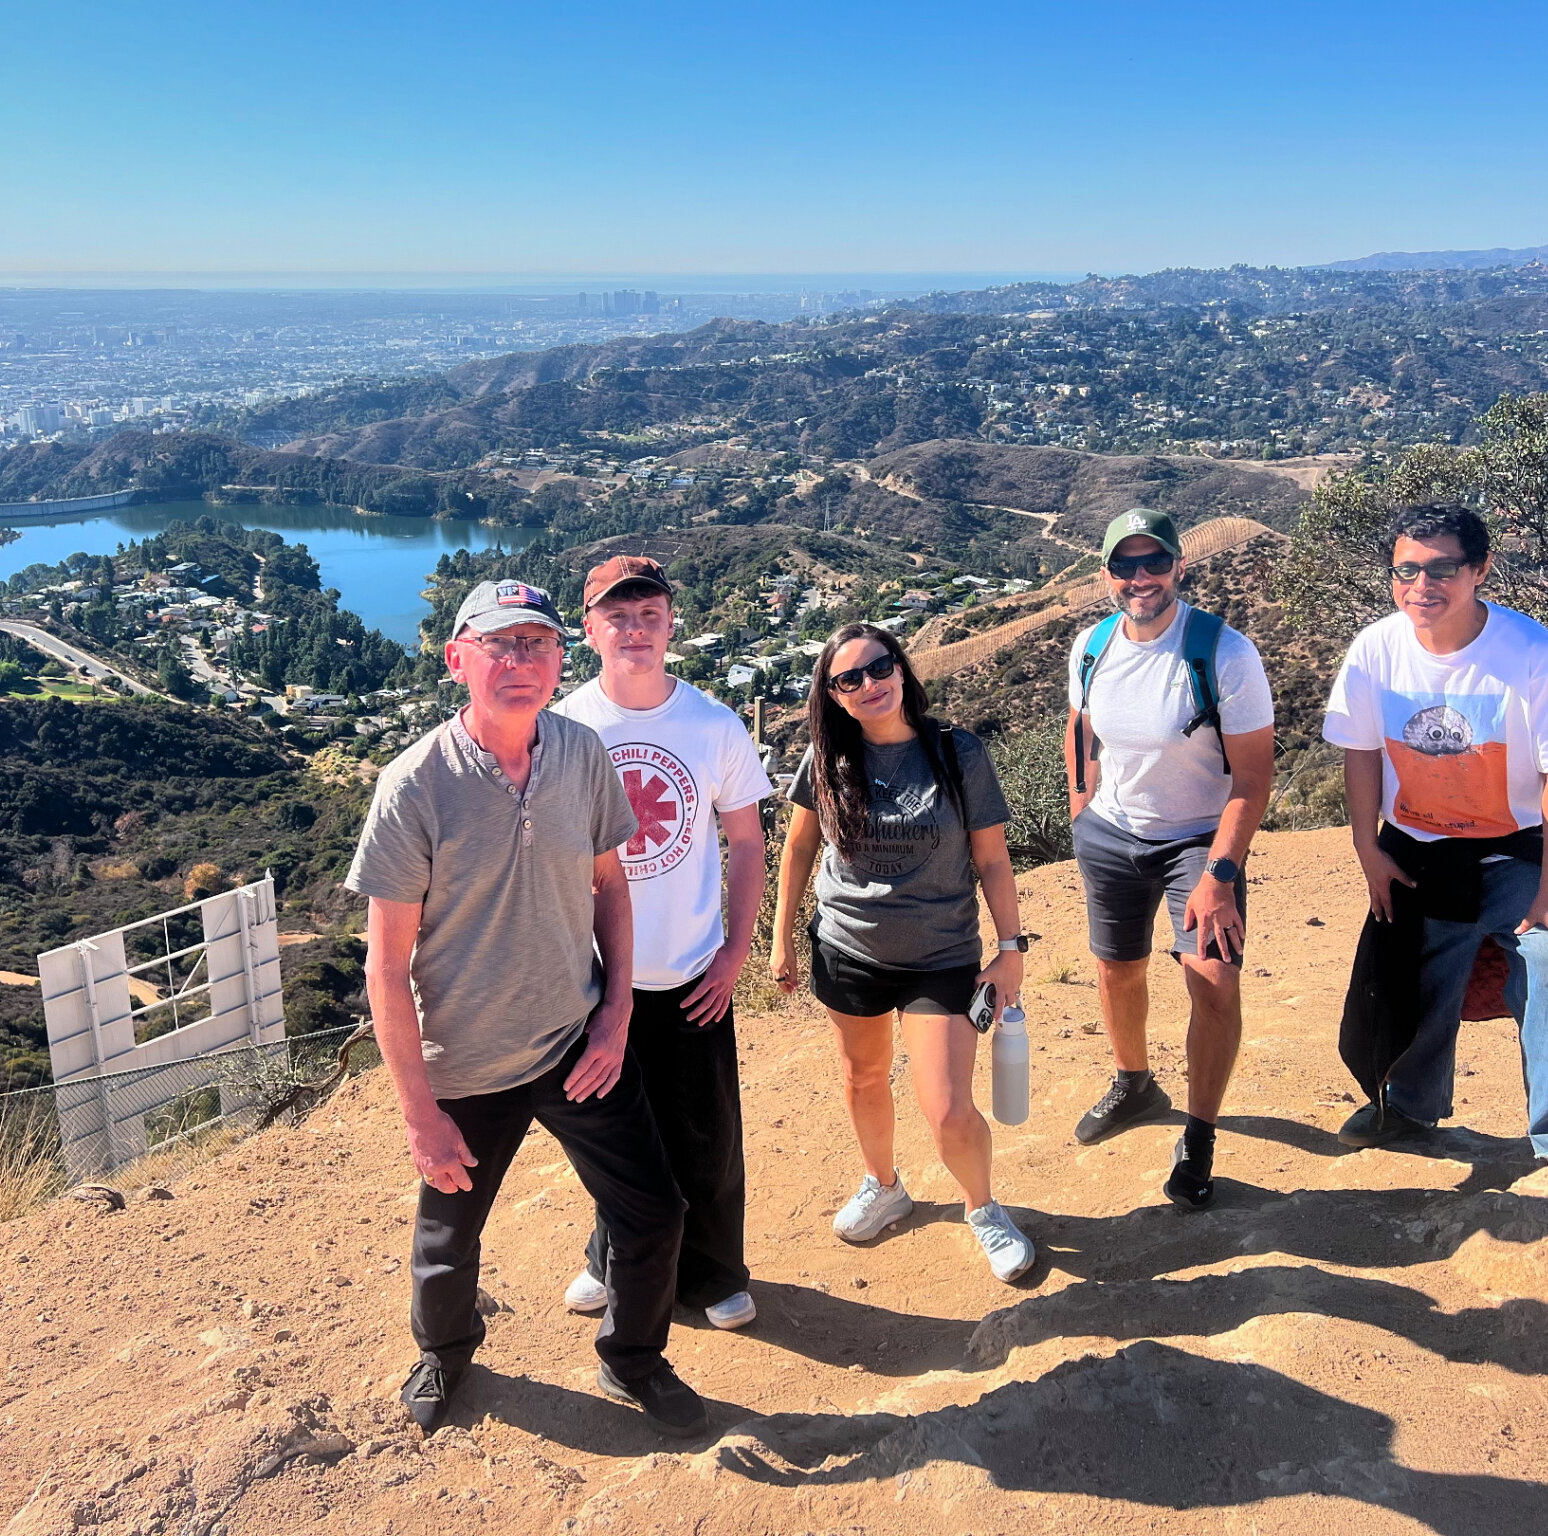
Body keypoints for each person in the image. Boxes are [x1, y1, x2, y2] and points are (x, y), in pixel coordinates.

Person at [347, 577, 706, 1438]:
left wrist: (615, 1017)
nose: (520, 662)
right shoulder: (414, 786)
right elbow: (385, 967)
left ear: (560, 658)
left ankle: (634, 1358)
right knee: (447, 1243)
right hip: (467, 1066)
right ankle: (445, 1352)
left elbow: (610, 889)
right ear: (457, 658)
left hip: (574, 1042)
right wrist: (418, 1112)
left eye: (537, 644)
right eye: (499, 644)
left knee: (654, 1213)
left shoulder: (581, 754)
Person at [1324, 503, 1548, 1192]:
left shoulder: (1528, 651)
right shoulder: (1376, 648)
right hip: (1418, 846)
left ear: (1480, 570)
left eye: (1441, 569)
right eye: (1405, 569)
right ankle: (1408, 1111)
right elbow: (1361, 756)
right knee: (1409, 968)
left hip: (1516, 850)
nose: (1420, 585)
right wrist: (1368, 853)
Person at [769, 623, 1038, 1282]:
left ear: (902, 669)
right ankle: (884, 1184)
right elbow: (800, 848)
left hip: (940, 954)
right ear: (832, 695)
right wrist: (780, 939)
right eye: (849, 678)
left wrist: (1010, 949)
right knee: (863, 1077)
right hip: (847, 949)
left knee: (948, 1105)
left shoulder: (957, 752)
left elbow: (993, 859)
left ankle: (983, 1208)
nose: (869, 685)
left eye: (879, 667)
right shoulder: (826, 760)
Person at [551, 555, 771, 1331]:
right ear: (589, 631)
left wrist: (735, 951)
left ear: (672, 623)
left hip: (688, 970)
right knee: (612, 1136)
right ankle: (609, 1259)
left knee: (705, 1130)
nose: (634, 630)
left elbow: (747, 842)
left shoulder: (711, 724)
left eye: (648, 615)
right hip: (592, 976)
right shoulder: (564, 727)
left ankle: (715, 1273)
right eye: (617, 616)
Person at [1062, 507, 1276, 1210]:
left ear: (1180, 565)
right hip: (1113, 834)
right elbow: (1081, 728)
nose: (1140, 578)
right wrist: (1080, 810)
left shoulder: (1225, 652)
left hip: (1198, 840)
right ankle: (1134, 1082)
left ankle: (1201, 1131)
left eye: (1154, 562)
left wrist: (1220, 873)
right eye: (1125, 566)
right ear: (1106, 576)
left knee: (1212, 981)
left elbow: (1252, 780)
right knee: (1116, 969)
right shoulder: (1091, 646)